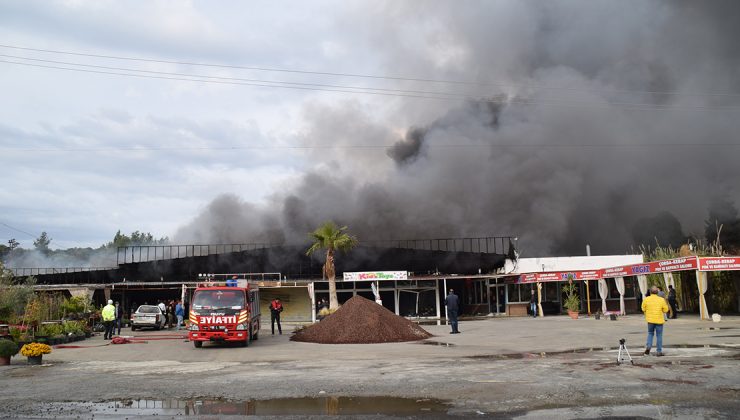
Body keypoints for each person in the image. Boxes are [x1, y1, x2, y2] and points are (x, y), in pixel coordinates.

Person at [641, 285, 669, 356]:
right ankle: (659, 351)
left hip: (650, 320)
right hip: (659, 320)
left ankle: (648, 347)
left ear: (650, 292)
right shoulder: (661, 300)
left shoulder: (646, 299)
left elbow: (643, 309)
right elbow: (666, 309)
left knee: (650, 333)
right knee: (659, 335)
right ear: (657, 292)